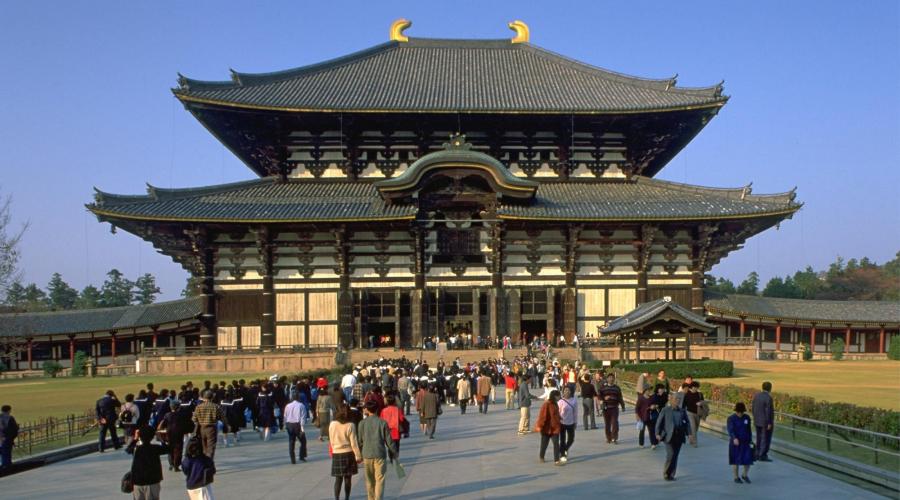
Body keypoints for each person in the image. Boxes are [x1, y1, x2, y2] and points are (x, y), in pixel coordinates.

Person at [358, 400, 397, 500]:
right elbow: (389, 440)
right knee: (380, 479)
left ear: (367, 410)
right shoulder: (382, 422)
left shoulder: (362, 423)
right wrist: (394, 451)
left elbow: (359, 441)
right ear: (377, 409)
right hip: (380, 454)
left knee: (369, 480)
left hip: (367, 454)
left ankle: (371, 498)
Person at [329, 404, 362, 500]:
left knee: (338, 479)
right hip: (348, 453)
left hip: (337, 453)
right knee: (348, 478)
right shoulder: (350, 425)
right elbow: (354, 443)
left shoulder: (332, 424)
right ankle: (347, 498)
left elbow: (331, 440)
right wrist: (358, 456)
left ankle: (337, 498)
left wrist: (334, 449)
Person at [655, 393, 691, 481]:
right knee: (670, 454)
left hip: (679, 435)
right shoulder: (665, 410)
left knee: (675, 455)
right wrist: (657, 433)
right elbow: (659, 422)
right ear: (671, 400)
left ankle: (672, 474)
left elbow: (687, 423)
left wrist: (689, 434)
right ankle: (666, 473)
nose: (677, 401)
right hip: (668, 436)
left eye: (678, 399)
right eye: (675, 399)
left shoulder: (682, 411)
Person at [130, 425, 169, 500]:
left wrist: (135, 438)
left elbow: (128, 449)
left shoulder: (136, 449)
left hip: (138, 481)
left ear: (140, 436)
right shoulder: (155, 448)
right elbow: (168, 449)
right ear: (152, 437)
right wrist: (161, 438)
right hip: (152, 481)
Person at [192, 390, 227, 460]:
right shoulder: (216, 406)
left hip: (201, 428)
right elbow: (223, 417)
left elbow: (194, 419)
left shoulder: (199, 407)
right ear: (212, 398)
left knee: (204, 447)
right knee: (211, 447)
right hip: (211, 428)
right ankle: (209, 462)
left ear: (204, 398)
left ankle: (205, 461)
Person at [182, 435, 216, 500]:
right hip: (203, 485)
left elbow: (185, 471)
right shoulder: (205, 459)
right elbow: (213, 471)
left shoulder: (186, 460)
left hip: (191, 486)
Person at [728, 402, 754, 484]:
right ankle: (736, 477)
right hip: (735, 443)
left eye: (741, 412)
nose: (740, 414)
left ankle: (744, 475)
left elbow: (749, 430)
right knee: (735, 460)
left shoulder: (747, 418)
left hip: (746, 442)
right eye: (738, 412)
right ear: (736, 411)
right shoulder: (731, 418)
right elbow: (730, 430)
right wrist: (734, 438)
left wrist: (751, 440)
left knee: (748, 459)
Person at [535, 389, 563, 466]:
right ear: (554, 396)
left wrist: (560, 419)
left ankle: (556, 460)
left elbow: (556, 414)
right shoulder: (546, 404)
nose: (559, 397)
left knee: (556, 443)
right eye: (558, 396)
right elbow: (542, 416)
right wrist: (540, 426)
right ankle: (541, 456)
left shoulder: (555, 404)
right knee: (544, 444)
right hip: (546, 428)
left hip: (555, 428)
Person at [158, 400, 186, 471]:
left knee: (170, 449)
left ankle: (171, 464)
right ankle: (176, 465)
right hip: (179, 434)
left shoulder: (167, 415)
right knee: (178, 450)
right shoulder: (181, 415)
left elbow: (163, 424)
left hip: (169, 433)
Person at [751, 381, 775, 462]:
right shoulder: (768, 398)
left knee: (759, 438)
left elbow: (753, 408)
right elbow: (769, 411)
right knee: (765, 438)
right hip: (765, 422)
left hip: (757, 421)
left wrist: (755, 418)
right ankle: (762, 455)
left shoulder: (757, 396)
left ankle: (757, 454)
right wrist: (769, 423)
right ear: (770, 388)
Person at [599, 374, 625, 444]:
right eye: (610, 378)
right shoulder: (603, 387)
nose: (611, 379)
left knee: (615, 423)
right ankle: (608, 438)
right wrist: (604, 398)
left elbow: (620, 397)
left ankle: (614, 438)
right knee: (607, 424)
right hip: (606, 408)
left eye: (612, 378)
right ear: (607, 379)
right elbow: (599, 396)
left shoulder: (617, 388)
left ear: (614, 379)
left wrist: (623, 406)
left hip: (614, 408)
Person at [379, 394, 406, 461]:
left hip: (387, 431)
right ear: (394, 402)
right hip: (396, 430)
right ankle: (396, 456)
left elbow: (381, 420)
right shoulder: (397, 410)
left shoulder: (383, 410)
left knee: (389, 445)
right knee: (396, 444)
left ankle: (391, 456)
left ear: (387, 402)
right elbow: (402, 419)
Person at [284, 392, 308, 464]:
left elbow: (285, 416)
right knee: (303, 441)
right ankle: (302, 456)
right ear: (298, 398)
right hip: (297, 425)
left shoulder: (287, 406)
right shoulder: (301, 405)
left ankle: (292, 459)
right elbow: (303, 417)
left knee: (291, 441)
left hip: (289, 424)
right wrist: (302, 427)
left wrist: (285, 425)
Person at [557, 387, 577, 462]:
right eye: (565, 390)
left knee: (571, 439)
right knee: (562, 439)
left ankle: (565, 449)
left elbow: (575, 412)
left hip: (571, 422)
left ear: (571, 392)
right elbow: (557, 413)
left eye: (568, 390)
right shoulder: (560, 402)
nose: (567, 392)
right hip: (562, 423)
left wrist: (575, 422)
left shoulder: (574, 401)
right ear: (563, 392)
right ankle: (562, 454)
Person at [683, 381, 704, 447]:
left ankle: (691, 437)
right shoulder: (687, 394)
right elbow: (683, 404)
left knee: (696, 428)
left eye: (697, 387)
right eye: (695, 387)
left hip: (698, 413)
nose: (696, 389)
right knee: (693, 427)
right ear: (691, 387)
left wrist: (701, 404)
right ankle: (695, 443)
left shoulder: (700, 394)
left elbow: (703, 402)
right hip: (689, 413)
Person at [0, 405, 19, 470]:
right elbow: (14, 429)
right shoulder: (10, 418)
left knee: (2, 453)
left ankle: (3, 465)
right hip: (6, 439)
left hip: (1, 439)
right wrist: (12, 438)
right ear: (8, 410)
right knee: (6, 453)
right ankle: (7, 467)